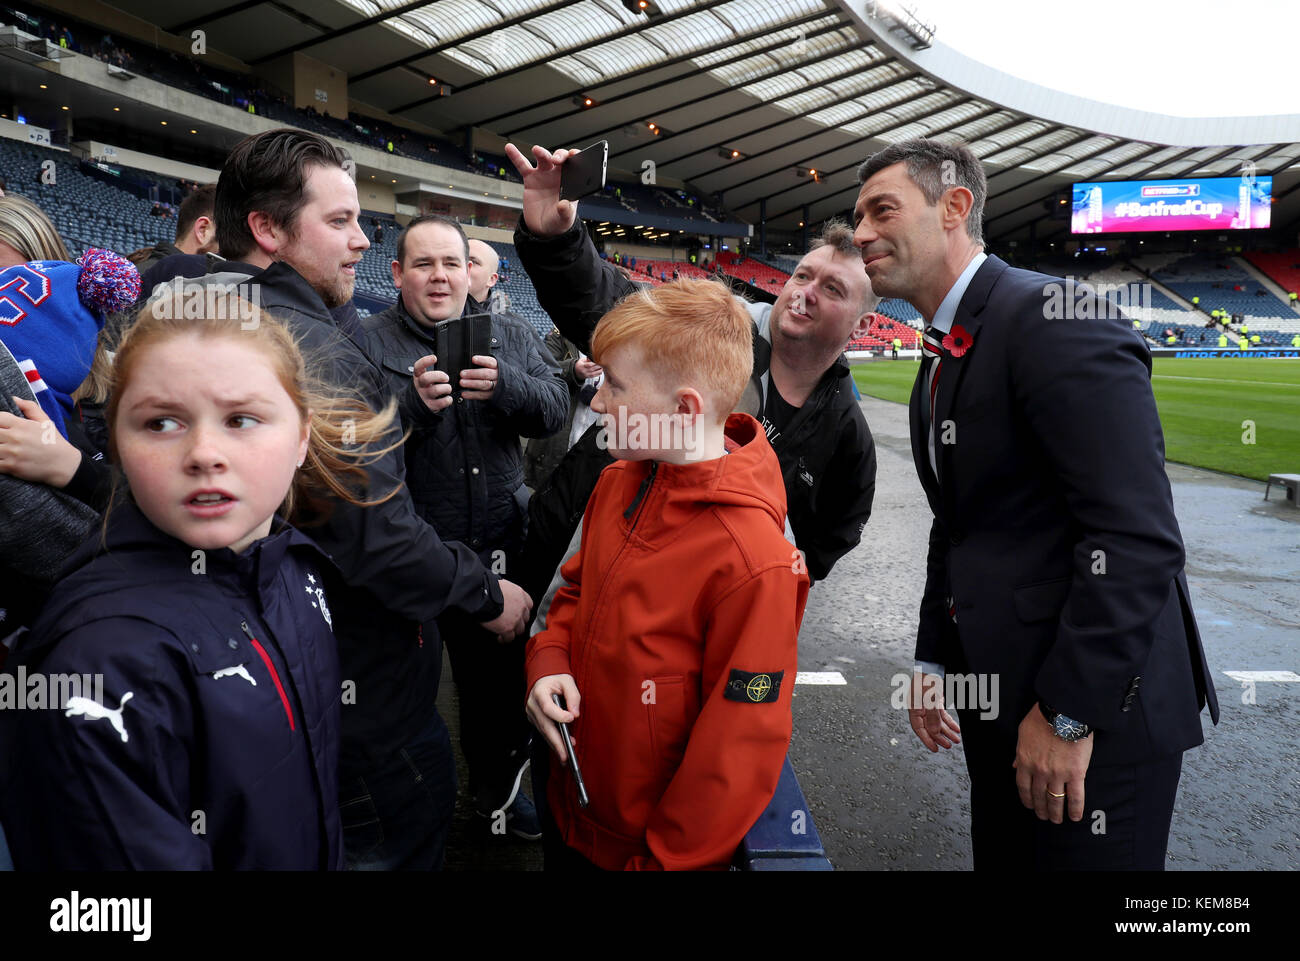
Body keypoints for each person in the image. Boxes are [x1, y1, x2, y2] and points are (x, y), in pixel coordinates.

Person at [853, 137, 1218, 870]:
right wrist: (934, 655)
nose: (859, 232)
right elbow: (959, 526)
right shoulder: (947, 344)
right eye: (856, 215)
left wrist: (1067, 711)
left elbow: (1134, 537)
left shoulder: (1055, 314)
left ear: (955, 206)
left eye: (880, 210)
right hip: (1008, 710)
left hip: (1093, 723)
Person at [191, 129, 532, 869]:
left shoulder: (222, 316)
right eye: (341, 221)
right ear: (268, 229)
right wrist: (486, 593)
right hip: (362, 696)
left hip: (283, 678)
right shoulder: (309, 347)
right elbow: (378, 537)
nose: (361, 240)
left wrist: (402, 407)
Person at [0, 292, 393, 869]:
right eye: (161, 422)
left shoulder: (296, 569)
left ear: (303, 435)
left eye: (242, 419)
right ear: (115, 441)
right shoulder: (98, 664)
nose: (204, 453)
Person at [524, 278, 810, 870]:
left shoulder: (754, 561)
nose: (598, 401)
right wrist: (546, 664)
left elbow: (737, 749)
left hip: (641, 853)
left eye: (617, 385)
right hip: (570, 806)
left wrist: (660, 863)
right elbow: (571, 594)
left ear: (683, 409)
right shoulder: (616, 481)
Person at [505, 142, 878, 587]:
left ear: (864, 324)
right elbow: (611, 306)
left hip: (696, 616)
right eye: (802, 275)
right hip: (575, 557)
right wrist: (557, 240)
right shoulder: (709, 329)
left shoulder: (847, 436)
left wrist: (772, 584)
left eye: (833, 289)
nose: (805, 291)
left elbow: (827, 540)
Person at [363, 215, 566, 840]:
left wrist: (506, 389)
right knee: (402, 692)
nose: (439, 276)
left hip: (501, 548)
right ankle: (405, 808)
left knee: (495, 694)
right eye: (423, 264)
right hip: (415, 554)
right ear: (397, 274)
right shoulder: (367, 343)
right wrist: (411, 412)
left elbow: (554, 409)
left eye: (451, 263)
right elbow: (351, 455)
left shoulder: (509, 333)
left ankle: (495, 794)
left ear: (468, 270)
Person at [466, 237, 501, 311]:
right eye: (457, 260)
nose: (461, 266)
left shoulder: (509, 322)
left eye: (473, 262)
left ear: (491, 279)